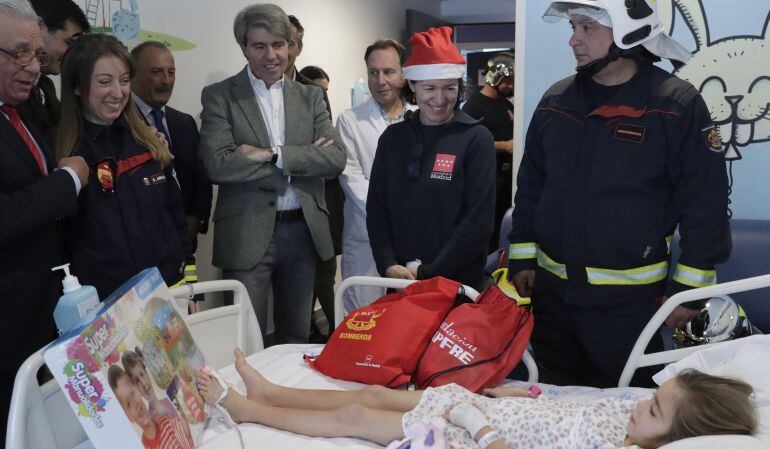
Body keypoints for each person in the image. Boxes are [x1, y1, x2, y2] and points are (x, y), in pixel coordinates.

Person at [507, 1, 731, 388]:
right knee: (549, 405)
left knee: (626, 416)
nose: (573, 40)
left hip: (628, 309)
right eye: (573, 27)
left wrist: (689, 292)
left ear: (629, 34)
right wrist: (522, 256)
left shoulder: (674, 105)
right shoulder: (556, 102)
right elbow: (531, 186)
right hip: (553, 302)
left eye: (587, 28)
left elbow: (705, 204)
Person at [197, 349, 757, 449]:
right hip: (485, 408)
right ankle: (271, 388)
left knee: (356, 415)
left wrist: (479, 426)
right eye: (650, 397)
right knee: (371, 389)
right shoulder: (624, 411)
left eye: (654, 411)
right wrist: (529, 389)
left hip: (468, 437)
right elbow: (580, 399)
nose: (640, 407)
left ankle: (249, 409)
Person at [199, 3, 346, 344]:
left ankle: (288, 397)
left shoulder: (311, 97)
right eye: (259, 46)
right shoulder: (221, 96)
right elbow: (218, 164)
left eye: (278, 44)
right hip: (247, 232)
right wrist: (305, 158)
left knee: (296, 335)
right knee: (243, 337)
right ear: (244, 47)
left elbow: (336, 158)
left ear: (290, 46)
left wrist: (272, 154)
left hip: (303, 232)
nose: (271, 55)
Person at [0, 0, 88, 440]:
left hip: (45, 308)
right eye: (18, 53)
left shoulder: (26, 110)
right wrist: (67, 181)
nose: (34, 67)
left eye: (37, 55)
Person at [56, 33, 191, 299]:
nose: (118, 93)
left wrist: (189, 286)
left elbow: (176, 218)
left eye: (125, 80)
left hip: (167, 290)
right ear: (77, 86)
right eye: (105, 82)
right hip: (106, 305)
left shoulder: (149, 143)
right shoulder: (63, 156)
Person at [366, 26, 495, 291]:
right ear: (412, 85)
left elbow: (478, 222)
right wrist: (388, 263)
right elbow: (378, 209)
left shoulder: (475, 138)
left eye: (449, 88)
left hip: (456, 284)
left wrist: (429, 272)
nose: (439, 99)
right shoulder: (393, 139)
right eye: (429, 88)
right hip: (401, 280)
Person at [130, 41, 213, 312]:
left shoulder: (183, 122)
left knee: (189, 315)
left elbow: (201, 177)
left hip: (184, 245)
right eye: (156, 72)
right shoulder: (122, 125)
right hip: (145, 254)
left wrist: (195, 218)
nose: (166, 81)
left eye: (171, 72)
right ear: (133, 74)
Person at [337, 38, 415, 311]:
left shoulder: (419, 117)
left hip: (411, 234)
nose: (380, 80)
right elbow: (352, 178)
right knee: (363, 317)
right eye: (373, 72)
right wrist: (389, 213)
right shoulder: (350, 120)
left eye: (389, 72)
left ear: (404, 74)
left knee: (406, 319)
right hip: (365, 234)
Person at [285, 14, 342, 343]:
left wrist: (284, 155)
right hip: (271, 213)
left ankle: (335, 334)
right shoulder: (244, 94)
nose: (282, 50)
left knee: (324, 277)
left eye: (288, 42)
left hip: (317, 203)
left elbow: (329, 155)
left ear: (298, 47)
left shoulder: (313, 94)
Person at [462, 52, 515, 251]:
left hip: (506, 182)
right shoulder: (474, 106)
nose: (510, 86)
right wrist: (504, 145)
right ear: (496, 77)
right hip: (485, 181)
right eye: (507, 81)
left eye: (512, 81)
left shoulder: (507, 105)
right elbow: (467, 142)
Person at [18, 0, 89, 149]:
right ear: (39, 27)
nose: (74, 54)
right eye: (69, 42)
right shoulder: (14, 91)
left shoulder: (46, 87)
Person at [109, 365, 194, 449]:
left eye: (132, 393)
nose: (135, 404)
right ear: (128, 416)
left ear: (138, 389)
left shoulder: (168, 423)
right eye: (128, 404)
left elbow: (189, 438)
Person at [122, 349, 178, 418]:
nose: (143, 384)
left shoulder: (168, 401)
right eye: (137, 381)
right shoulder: (150, 420)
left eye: (142, 374)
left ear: (147, 374)